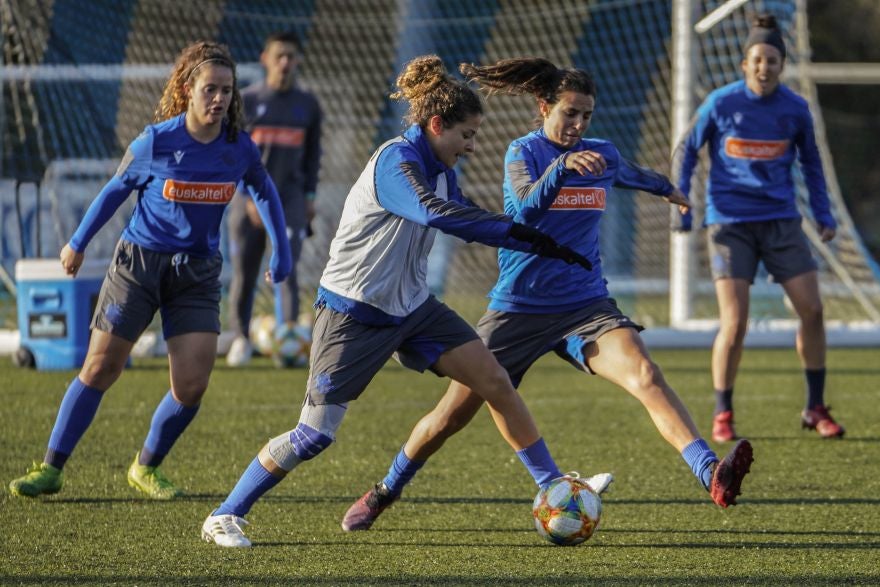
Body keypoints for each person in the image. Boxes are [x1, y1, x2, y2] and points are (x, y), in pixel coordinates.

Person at [339, 57, 755, 533]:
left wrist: (673, 192)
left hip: (585, 305)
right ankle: (384, 491)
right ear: (544, 108)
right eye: (569, 113)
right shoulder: (523, 152)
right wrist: (559, 169)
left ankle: (710, 473)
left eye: (586, 115)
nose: (578, 124)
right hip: (517, 308)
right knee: (448, 419)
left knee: (645, 372)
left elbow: (638, 176)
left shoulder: (602, 155)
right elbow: (524, 213)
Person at [201, 55, 595, 548]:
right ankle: (225, 513)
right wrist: (518, 234)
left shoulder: (443, 170)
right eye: (467, 136)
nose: (472, 147)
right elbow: (436, 215)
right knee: (314, 435)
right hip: (353, 314)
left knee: (495, 379)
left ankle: (553, 488)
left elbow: (467, 213)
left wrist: (532, 240)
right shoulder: (396, 161)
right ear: (436, 125)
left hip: (413, 310)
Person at [8, 41, 293, 500]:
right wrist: (77, 243)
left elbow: (264, 190)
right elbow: (113, 191)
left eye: (226, 90)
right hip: (138, 265)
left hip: (197, 274)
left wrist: (281, 250)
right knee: (100, 368)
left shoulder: (238, 146)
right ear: (187, 89)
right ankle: (51, 467)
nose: (219, 99)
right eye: (210, 90)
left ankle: (146, 467)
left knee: (192, 385)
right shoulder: (156, 140)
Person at [673, 15, 844, 442]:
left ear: (782, 65)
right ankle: (723, 411)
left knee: (814, 311)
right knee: (735, 322)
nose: (764, 67)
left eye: (772, 60)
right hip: (730, 224)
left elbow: (812, 164)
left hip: (782, 222)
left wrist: (823, 213)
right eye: (757, 60)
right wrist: (682, 203)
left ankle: (815, 406)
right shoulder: (720, 103)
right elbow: (685, 151)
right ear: (744, 64)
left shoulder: (795, 109)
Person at [226, 30, 323, 367]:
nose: (286, 62)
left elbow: (313, 156)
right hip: (247, 200)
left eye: (291, 56)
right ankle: (239, 337)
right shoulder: (247, 101)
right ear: (265, 58)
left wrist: (310, 195)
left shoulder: (308, 105)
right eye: (279, 55)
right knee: (245, 271)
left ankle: (288, 340)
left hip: (292, 200)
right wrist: (245, 196)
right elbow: (232, 155)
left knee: (288, 269)